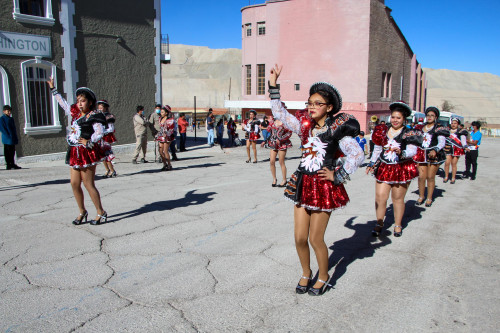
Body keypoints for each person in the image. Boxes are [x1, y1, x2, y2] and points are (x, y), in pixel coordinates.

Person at [269, 65, 364, 296]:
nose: (311, 107)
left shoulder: (336, 131)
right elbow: (280, 114)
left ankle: (324, 275)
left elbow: (358, 154)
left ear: (329, 108)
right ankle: (305, 272)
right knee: (299, 237)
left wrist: (338, 174)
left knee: (315, 238)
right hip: (303, 184)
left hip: (323, 187)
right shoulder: (304, 127)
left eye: (317, 103)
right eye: (309, 103)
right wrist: (273, 86)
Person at [47, 77, 107, 225]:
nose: (79, 103)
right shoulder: (75, 112)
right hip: (74, 152)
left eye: (83, 101)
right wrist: (53, 89)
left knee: (88, 184)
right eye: (78, 100)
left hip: (87, 152)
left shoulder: (94, 116)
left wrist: (89, 141)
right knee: (74, 183)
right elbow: (64, 104)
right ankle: (82, 211)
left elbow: (100, 132)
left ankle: (101, 212)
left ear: (90, 102)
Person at [366, 101, 422, 237]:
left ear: (404, 119)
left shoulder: (409, 132)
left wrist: (401, 152)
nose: (395, 120)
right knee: (380, 197)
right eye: (393, 117)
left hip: (401, 167)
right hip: (384, 166)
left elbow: (412, 150)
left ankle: (397, 225)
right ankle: (379, 223)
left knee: (397, 199)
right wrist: (372, 163)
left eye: (398, 118)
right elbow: (377, 148)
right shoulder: (382, 130)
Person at [413, 106, 449, 207]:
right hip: (421, 154)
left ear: (436, 117)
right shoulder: (419, 127)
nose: (429, 117)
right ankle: (421, 196)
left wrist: (435, 150)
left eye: (432, 115)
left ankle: (429, 198)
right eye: (428, 115)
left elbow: (442, 142)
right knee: (421, 177)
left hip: (434, 155)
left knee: (430, 177)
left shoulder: (439, 128)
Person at [262, 116, 292, 187]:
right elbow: (268, 130)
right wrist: (270, 122)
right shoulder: (273, 121)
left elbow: (289, 133)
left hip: (282, 144)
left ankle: (284, 179)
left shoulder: (285, 122)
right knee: (272, 161)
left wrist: (281, 139)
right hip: (273, 143)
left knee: (281, 162)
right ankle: (274, 179)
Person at [443, 118, 468, 183]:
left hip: (456, 149)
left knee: (453, 164)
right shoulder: (447, 131)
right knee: (447, 163)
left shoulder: (461, 131)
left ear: (458, 124)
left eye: (455, 123)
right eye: (452, 123)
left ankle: (453, 178)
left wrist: (465, 146)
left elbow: (463, 140)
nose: (453, 125)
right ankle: (446, 176)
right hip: (448, 148)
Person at [97, 100, 117, 177]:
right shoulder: (98, 116)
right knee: (102, 155)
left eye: (101, 108)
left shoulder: (109, 117)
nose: (100, 109)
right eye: (99, 108)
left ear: (105, 108)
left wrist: (103, 132)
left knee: (107, 154)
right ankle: (107, 169)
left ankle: (112, 170)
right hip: (99, 138)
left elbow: (111, 128)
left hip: (106, 137)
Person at [0, 105, 21, 170]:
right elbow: (2, 128)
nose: (9, 112)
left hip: (12, 137)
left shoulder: (11, 119)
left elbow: (13, 128)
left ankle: (12, 163)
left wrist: (14, 136)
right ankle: (8, 164)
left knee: (12, 151)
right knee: (7, 151)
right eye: (8, 111)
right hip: (7, 138)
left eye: (10, 111)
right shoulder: (2, 119)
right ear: (4, 111)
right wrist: (8, 135)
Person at [155, 106, 175, 171]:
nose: (161, 113)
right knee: (160, 151)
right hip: (161, 136)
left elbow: (172, 129)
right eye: (161, 112)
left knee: (165, 150)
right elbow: (160, 128)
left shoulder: (170, 120)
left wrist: (166, 133)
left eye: (162, 112)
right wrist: (157, 136)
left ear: (166, 113)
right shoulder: (160, 118)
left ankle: (169, 164)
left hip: (167, 137)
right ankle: (164, 164)